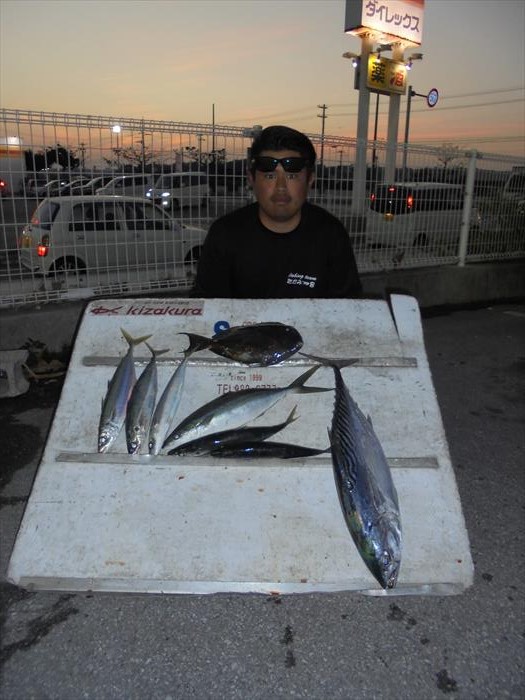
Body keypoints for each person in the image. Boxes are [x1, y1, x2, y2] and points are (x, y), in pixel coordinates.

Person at [191, 125, 362, 298]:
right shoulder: (224, 234)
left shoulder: (331, 234)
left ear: (310, 180)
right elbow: (206, 306)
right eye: (270, 176)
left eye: (292, 176)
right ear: (251, 180)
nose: (281, 187)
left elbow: (349, 307)